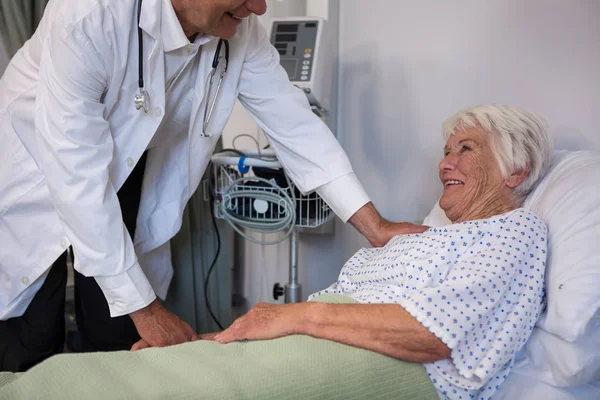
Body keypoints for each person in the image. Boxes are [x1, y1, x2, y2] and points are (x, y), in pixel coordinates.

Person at [0, 0, 425, 372]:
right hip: (35, 173)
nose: (258, 7)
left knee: (114, 331)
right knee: (30, 333)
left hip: (125, 174)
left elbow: (296, 126)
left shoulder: (238, 34)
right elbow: (76, 176)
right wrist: (150, 312)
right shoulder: (88, 13)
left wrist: (376, 226)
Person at [207, 105, 555, 400]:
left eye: (465, 149)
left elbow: (433, 333)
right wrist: (206, 343)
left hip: (378, 363)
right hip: (301, 345)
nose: (445, 164)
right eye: (447, 152)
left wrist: (294, 316)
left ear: (515, 170)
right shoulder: (420, 238)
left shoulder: (514, 230)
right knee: (165, 363)